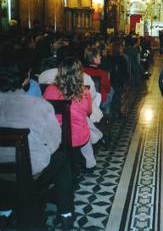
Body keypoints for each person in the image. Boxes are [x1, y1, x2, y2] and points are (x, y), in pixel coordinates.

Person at [0, 60, 74, 230]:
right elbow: (55, 142)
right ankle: (65, 213)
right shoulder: (39, 105)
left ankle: (5, 210)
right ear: (26, 78)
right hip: (28, 172)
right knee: (62, 159)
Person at [43, 57, 96, 171]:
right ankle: (90, 162)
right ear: (79, 74)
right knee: (85, 122)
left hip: (55, 135)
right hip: (78, 136)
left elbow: (45, 111)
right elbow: (89, 112)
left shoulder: (49, 90)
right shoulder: (84, 92)